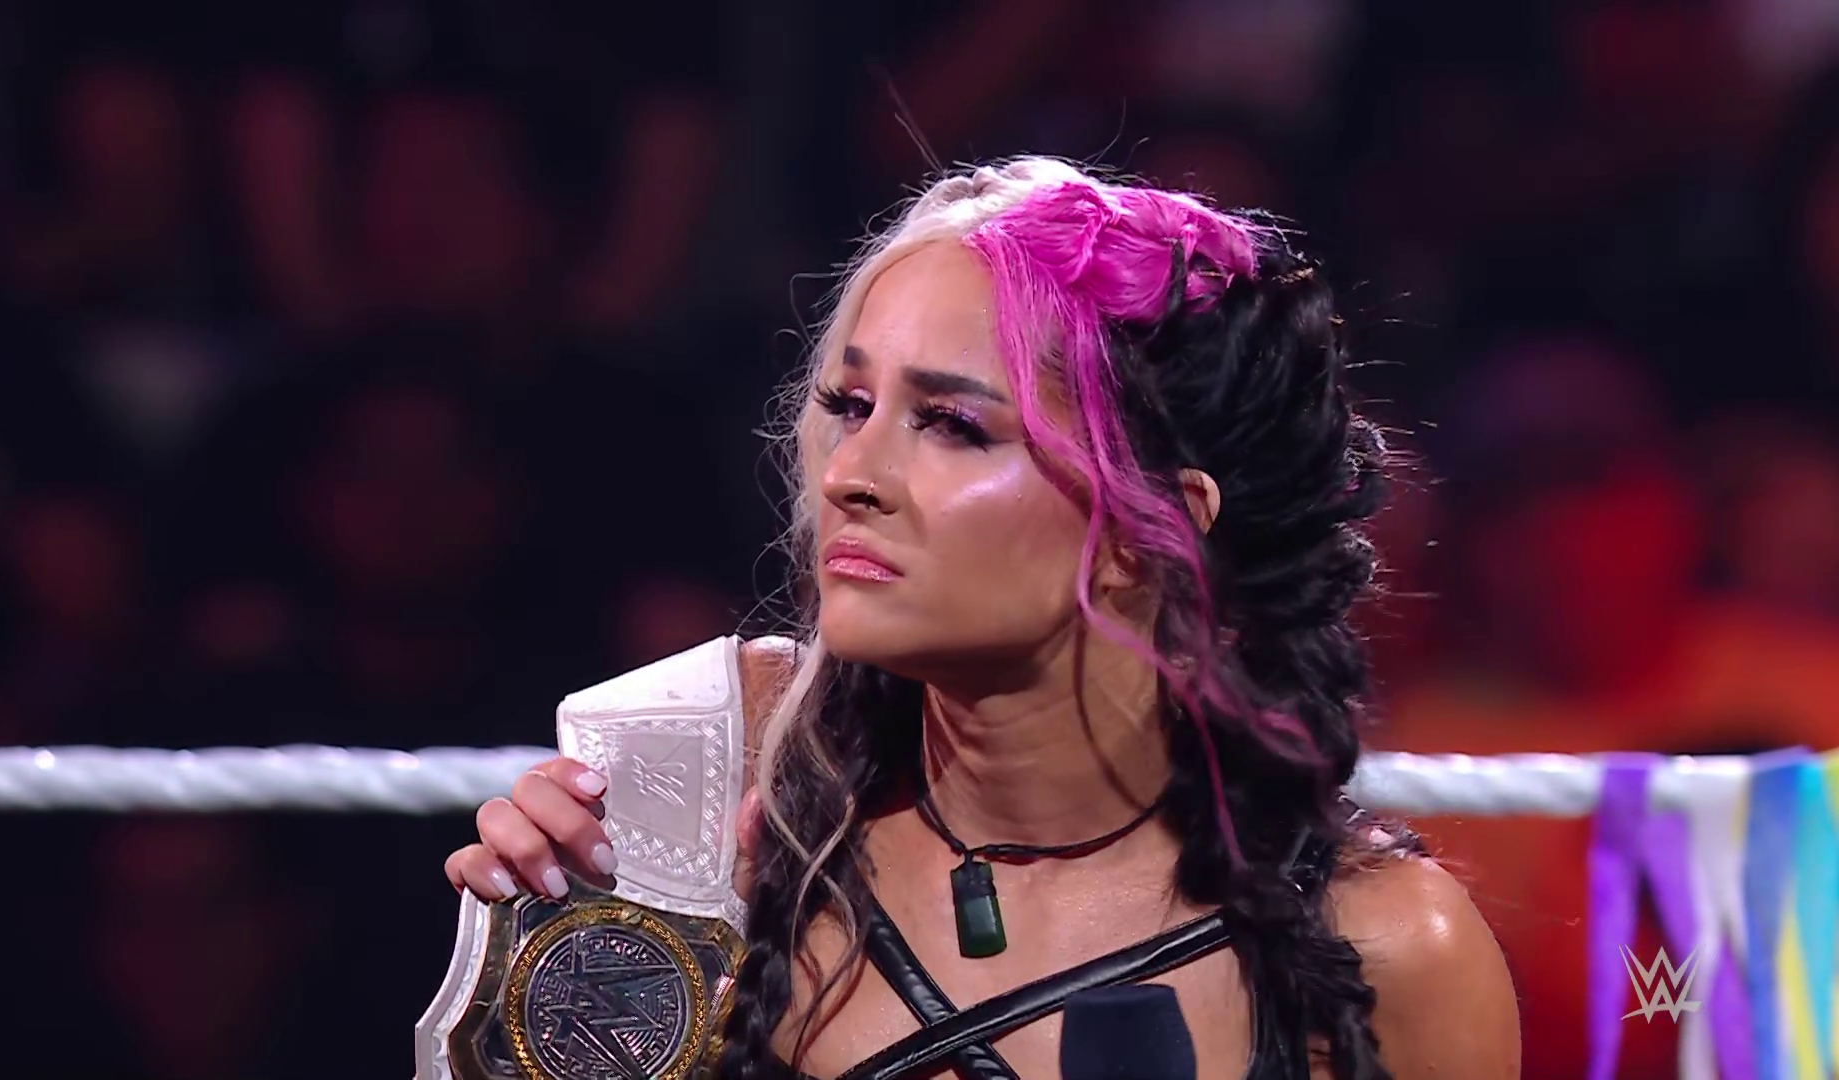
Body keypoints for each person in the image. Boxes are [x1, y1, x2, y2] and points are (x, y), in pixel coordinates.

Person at [444, 158, 1519, 1079]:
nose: (850, 475)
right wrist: (540, 1004)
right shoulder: (690, 785)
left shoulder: (1388, 952)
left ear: (1151, 531)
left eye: (953, 424)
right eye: (852, 407)